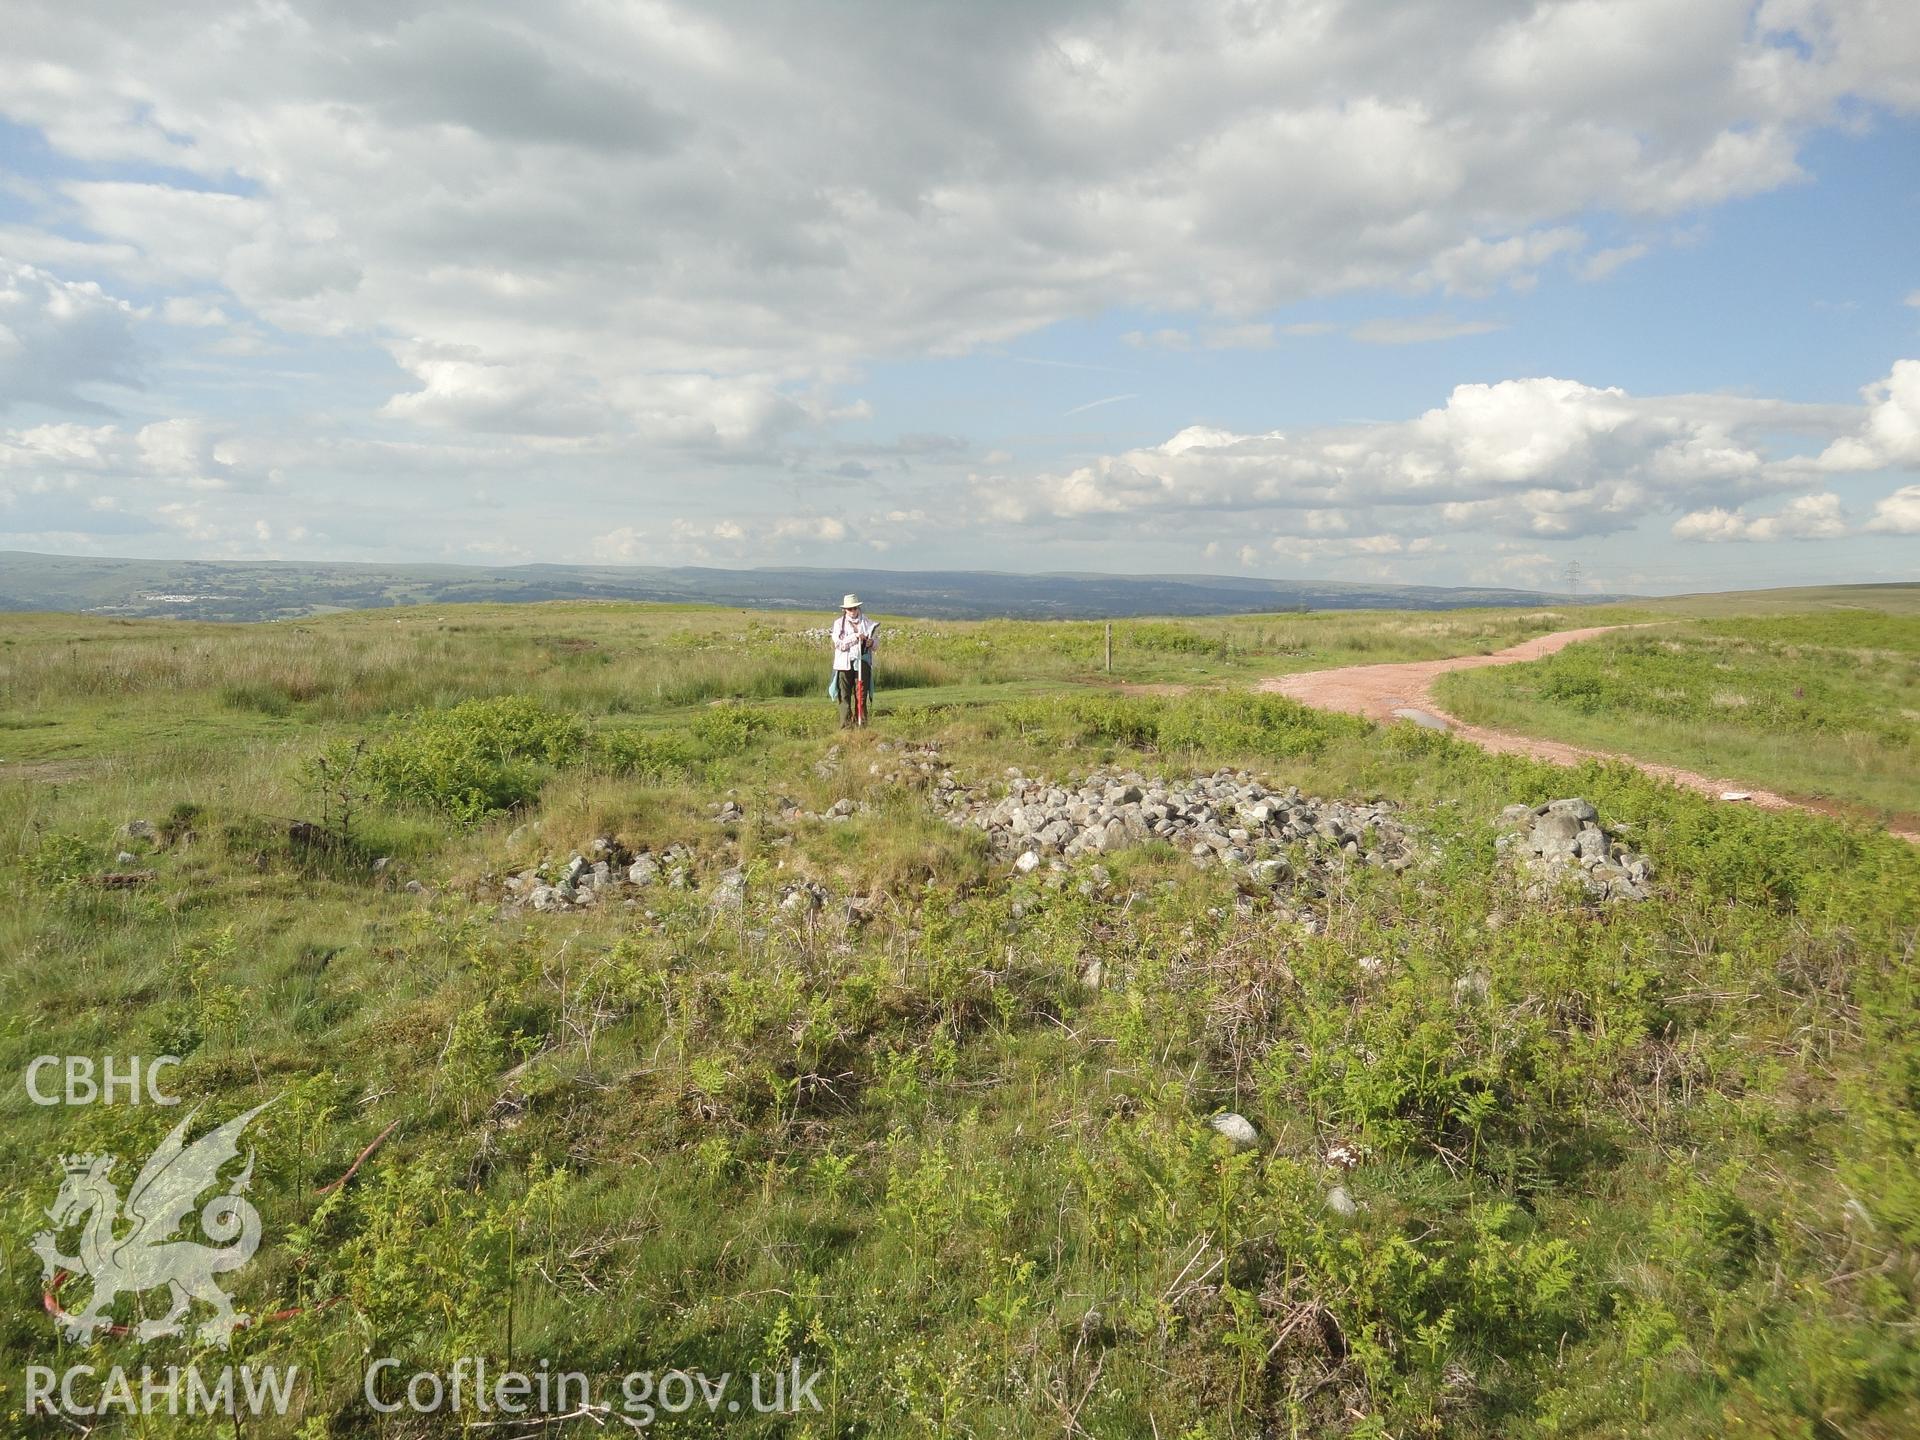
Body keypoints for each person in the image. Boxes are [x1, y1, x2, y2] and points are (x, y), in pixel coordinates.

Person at [829, 593, 877, 727]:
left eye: (855, 608)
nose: (853, 611)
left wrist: (871, 642)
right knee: (844, 696)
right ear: (844, 610)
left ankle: (862, 724)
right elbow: (840, 644)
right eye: (850, 609)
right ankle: (846, 725)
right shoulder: (838, 624)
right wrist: (855, 637)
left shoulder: (867, 622)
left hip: (862, 663)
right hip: (843, 665)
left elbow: (876, 644)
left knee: (861, 695)